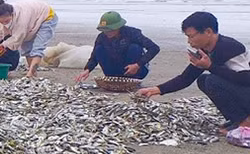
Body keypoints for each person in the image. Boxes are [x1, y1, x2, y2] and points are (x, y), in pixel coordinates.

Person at [137, 12, 250, 141]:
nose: (189, 41)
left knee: (212, 80)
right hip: (242, 92)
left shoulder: (230, 47)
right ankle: (238, 118)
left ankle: (246, 122)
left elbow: (246, 79)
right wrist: (156, 90)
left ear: (208, 31)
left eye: (191, 36)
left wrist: (210, 67)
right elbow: (186, 78)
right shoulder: (206, 51)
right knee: (203, 80)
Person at [76, 12, 159, 82]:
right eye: (104, 30)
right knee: (99, 49)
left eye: (110, 30)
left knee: (134, 48)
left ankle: (132, 78)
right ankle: (113, 78)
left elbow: (154, 48)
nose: (107, 33)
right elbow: (94, 57)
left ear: (118, 27)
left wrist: (137, 65)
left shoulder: (132, 33)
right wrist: (87, 70)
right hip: (114, 70)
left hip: (137, 70)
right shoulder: (101, 37)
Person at [0, 0, 58, 79]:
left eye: (6, 21)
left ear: (12, 14)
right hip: (32, 17)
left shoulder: (21, 20)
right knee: (26, 48)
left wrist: (3, 45)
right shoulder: (0, 16)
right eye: (1, 22)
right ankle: (33, 72)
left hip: (47, 16)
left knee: (37, 48)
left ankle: (30, 73)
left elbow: (17, 39)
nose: (4, 23)